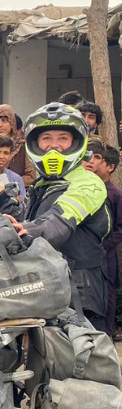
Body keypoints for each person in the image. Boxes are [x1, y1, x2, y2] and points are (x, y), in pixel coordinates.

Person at [9, 102, 110, 409]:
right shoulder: (39, 186)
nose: (53, 147)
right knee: (40, 388)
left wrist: (23, 230)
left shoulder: (87, 182)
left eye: (62, 139)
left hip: (80, 298)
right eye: (46, 139)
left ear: (77, 143)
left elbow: (58, 224)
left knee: (76, 394)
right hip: (44, 296)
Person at [83, 140, 122, 339]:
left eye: (98, 158)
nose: (93, 161)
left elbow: (119, 228)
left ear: (109, 166)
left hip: (106, 255)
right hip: (84, 255)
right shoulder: (83, 189)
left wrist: (103, 246)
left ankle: (107, 335)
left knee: (108, 294)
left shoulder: (114, 194)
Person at [0, 103, 37, 187]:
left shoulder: (23, 147)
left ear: (12, 122)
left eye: (4, 120)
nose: (0, 125)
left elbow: (31, 178)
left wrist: (7, 183)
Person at [0, 134, 26, 203]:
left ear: (10, 155)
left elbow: (22, 204)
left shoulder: (16, 179)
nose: (1, 156)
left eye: (6, 153)